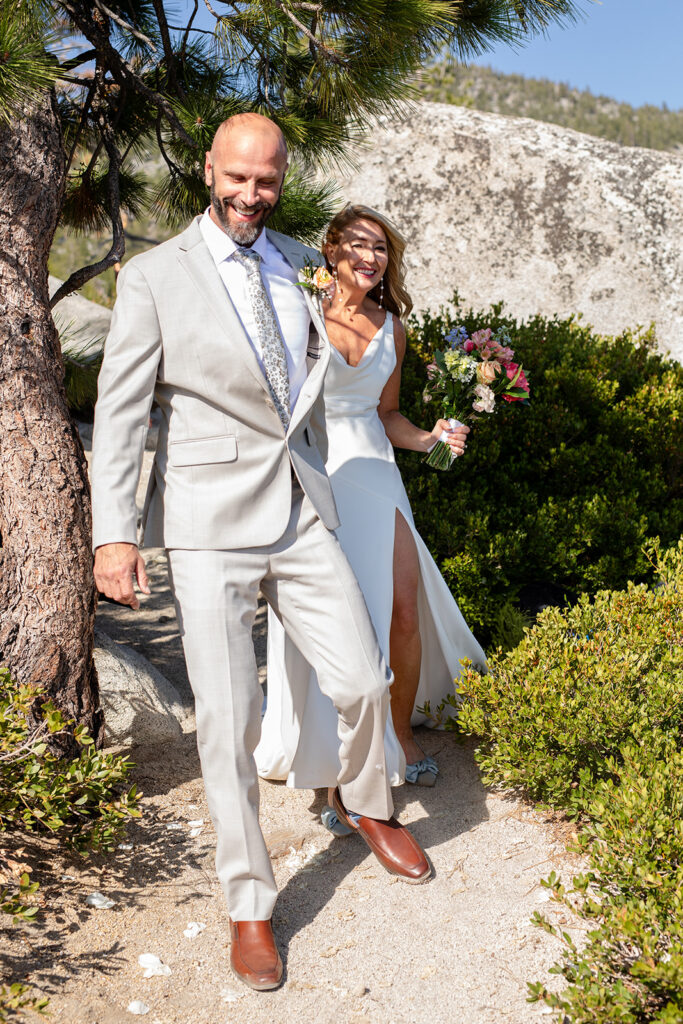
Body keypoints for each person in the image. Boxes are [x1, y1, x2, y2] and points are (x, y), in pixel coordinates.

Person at [90, 117, 432, 994]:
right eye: (236, 178)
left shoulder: (295, 263)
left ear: (282, 180)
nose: (250, 195)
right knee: (230, 722)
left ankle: (363, 803)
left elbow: (324, 374)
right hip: (205, 522)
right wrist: (115, 534)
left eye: (266, 182)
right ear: (210, 169)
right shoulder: (155, 276)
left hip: (297, 507)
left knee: (360, 679)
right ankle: (249, 903)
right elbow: (124, 412)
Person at [256, 205, 486, 808]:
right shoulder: (301, 313)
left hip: (377, 475)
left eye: (381, 248)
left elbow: (386, 416)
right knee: (335, 621)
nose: (370, 256)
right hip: (317, 473)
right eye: (357, 243)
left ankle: (402, 735)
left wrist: (431, 438)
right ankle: (332, 762)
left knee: (402, 610)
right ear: (331, 250)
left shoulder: (393, 328)